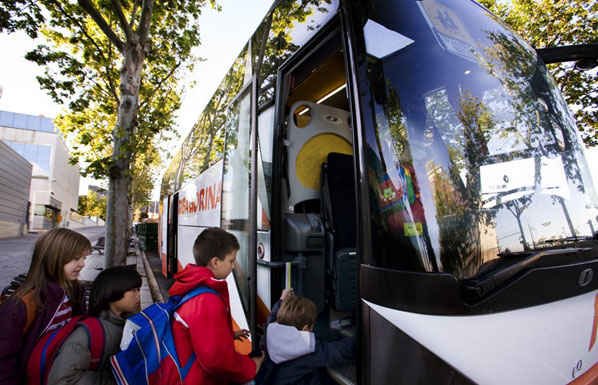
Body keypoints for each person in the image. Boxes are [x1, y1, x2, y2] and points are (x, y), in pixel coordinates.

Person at [166, 227, 265, 385]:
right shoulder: (206, 300)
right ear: (215, 262)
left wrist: (228, 335)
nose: (233, 266)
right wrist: (252, 366)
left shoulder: (193, 286)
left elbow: (199, 334)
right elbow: (217, 361)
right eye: (231, 260)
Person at [0, 228, 91, 385]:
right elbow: (4, 360)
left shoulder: (75, 292)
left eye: (84, 258)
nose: (82, 264)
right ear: (54, 258)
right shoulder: (20, 306)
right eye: (76, 258)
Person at [47, 266, 142, 385]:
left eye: (138, 289)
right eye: (133, 290)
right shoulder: (86, 334)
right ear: (113, 291)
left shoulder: (131, 325)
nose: (138, 295)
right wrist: (114, 379)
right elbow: (62, 380)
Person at [258, 289, 356, 385]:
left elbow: (272, 318)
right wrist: (364, 336)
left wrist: (282, 300)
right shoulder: (305, 349)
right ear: (305, 329)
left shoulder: (269, 334)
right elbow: (336, 351)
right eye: (313, 325)